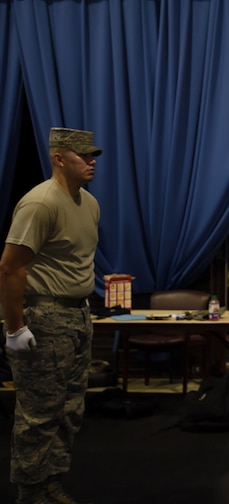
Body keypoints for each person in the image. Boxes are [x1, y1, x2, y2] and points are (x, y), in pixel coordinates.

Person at [0, 127, 102, 504]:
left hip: (77, 316)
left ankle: (52, 483)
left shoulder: (88, 203)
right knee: (39, 412)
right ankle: (30, 491)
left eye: (94, 155)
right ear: (59, 158)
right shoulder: (40, 203)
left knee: (70, 408)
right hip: (44, 317)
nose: (92, 162)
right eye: (84, 156)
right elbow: (10, 267)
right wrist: (15, 328)